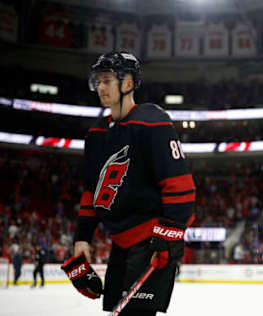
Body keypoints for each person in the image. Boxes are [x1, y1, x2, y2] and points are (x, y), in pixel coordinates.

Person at [61, 51, 195, 316]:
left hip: (151, 240)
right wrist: (82, 238)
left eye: (107, 80)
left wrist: (168, 239)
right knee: (114, 308)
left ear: (128, 83)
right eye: (97, 81)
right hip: (120, 243)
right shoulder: (96, 133)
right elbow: (92, 190)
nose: (100, 86)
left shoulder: (153, 122)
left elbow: (181, 186)